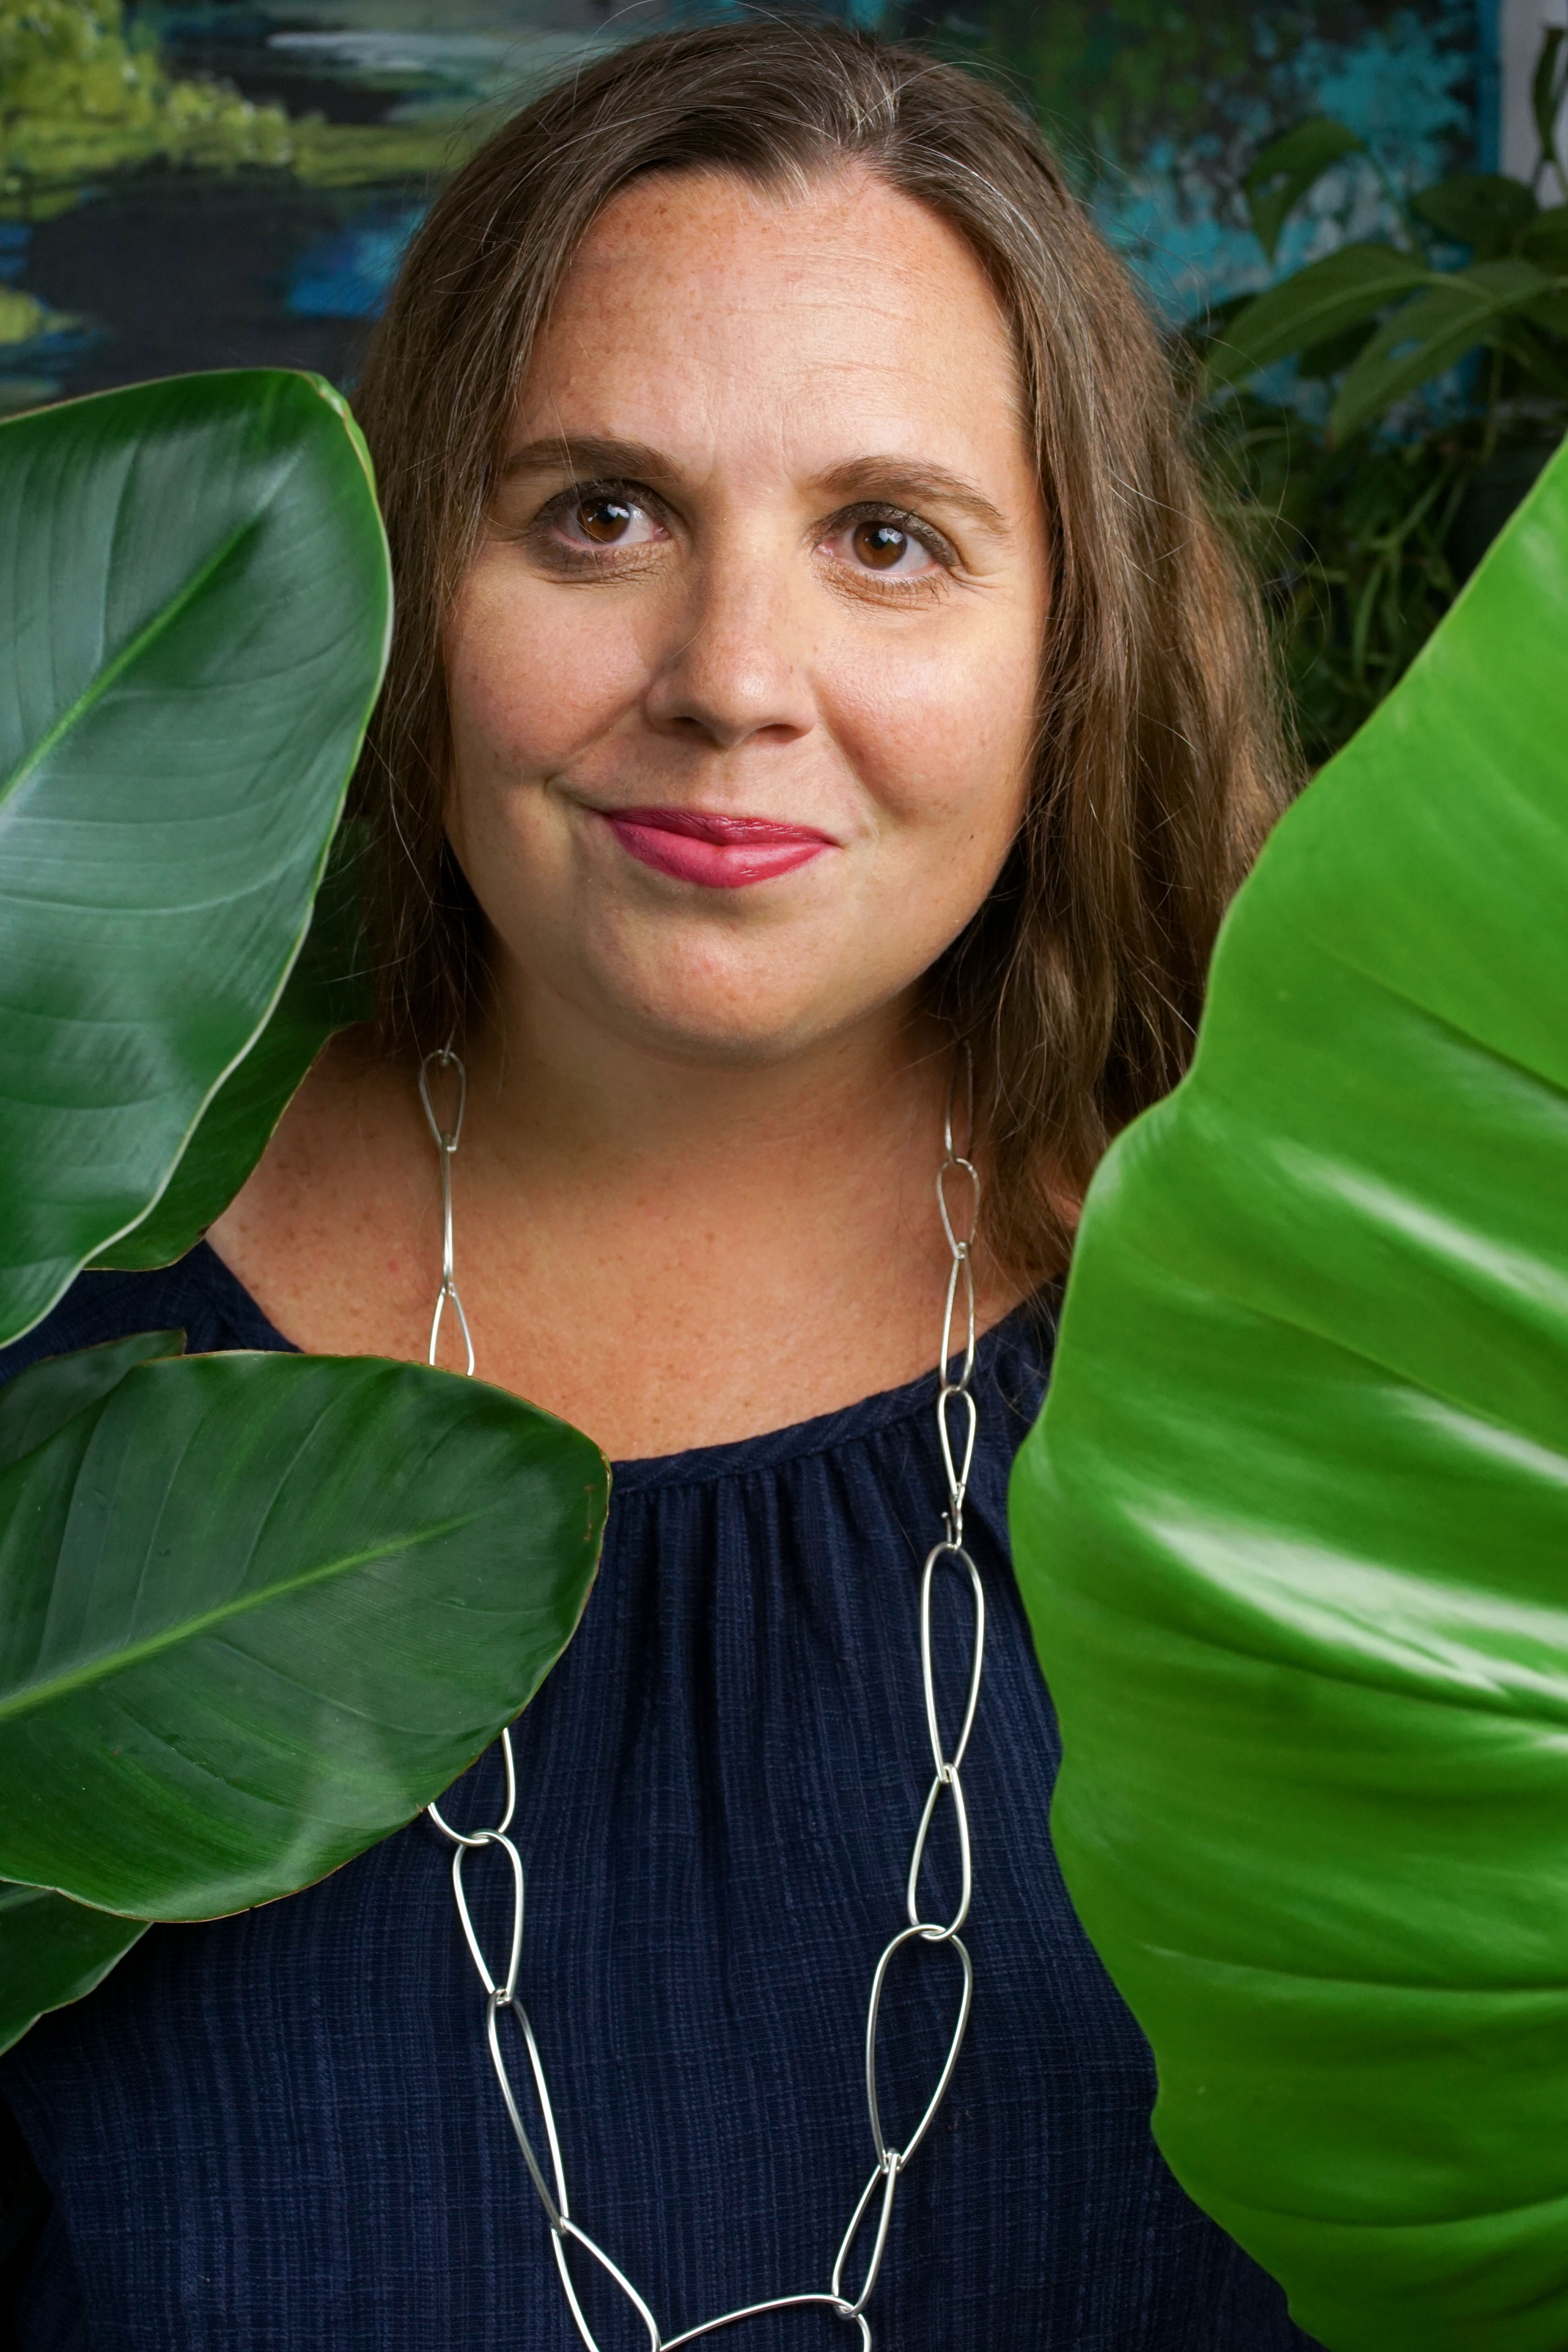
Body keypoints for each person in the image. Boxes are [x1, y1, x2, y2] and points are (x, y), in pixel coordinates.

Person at [0, 21, 1315, 2348]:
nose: (731, 678)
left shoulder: (1346, 1399)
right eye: (599, 510)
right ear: (423, 566)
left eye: (888, 539)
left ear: (1072, 639)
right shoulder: (55, 1341)